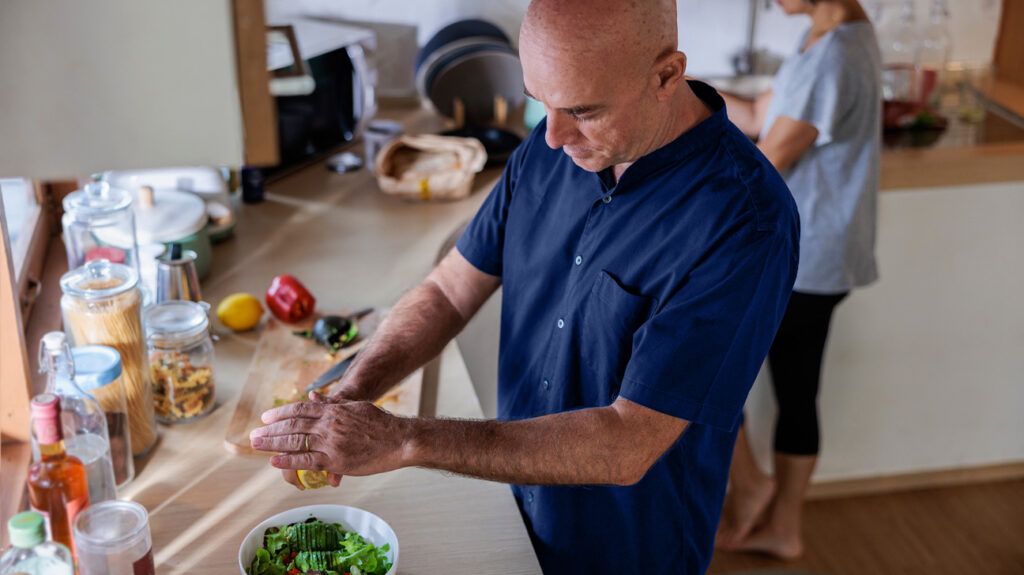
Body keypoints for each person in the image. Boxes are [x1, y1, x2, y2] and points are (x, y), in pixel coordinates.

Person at [250, 0, 799, 572]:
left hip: (625, 548)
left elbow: (627, 441)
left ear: (666, 75)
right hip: (511, 507)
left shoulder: (745, 222)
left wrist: (404, 439)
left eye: (582, 110)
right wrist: (354, 391)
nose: (553, 136)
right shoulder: (554, 144)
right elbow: (449, 290)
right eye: (540, 101)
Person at [713, 0, 881, 560]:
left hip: (808, 257)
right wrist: (676, 86)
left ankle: (758, 494)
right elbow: (758, 113)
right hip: (810, 251)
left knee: (716, 373)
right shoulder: (824, 37)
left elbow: (770, 157)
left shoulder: (837, 54)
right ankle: (776, 516)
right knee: (791, 388)